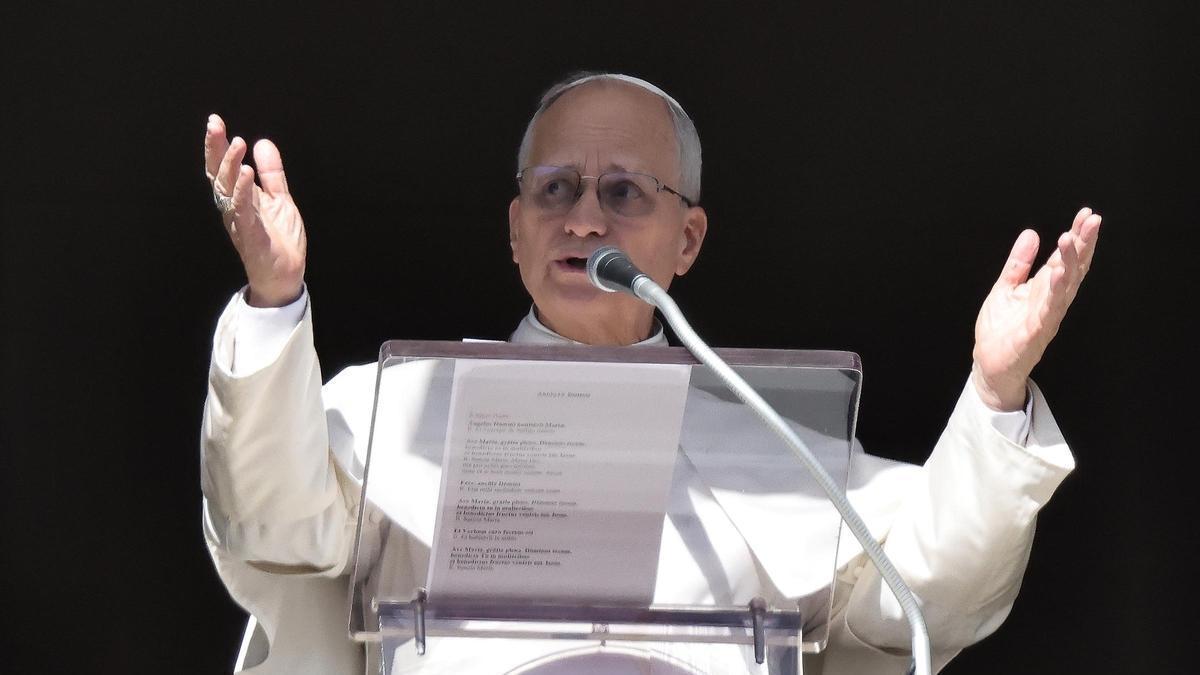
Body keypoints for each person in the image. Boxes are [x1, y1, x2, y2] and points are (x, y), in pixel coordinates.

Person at [200, 72, 1101, 674]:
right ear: (515, 229)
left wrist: (995, 393)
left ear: (688, 239)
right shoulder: (394, 409)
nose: (584, 221)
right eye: (556, 188)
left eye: (624, 192)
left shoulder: (770, 445)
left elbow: (923, 597)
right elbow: (276, 526)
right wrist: (274, 300)